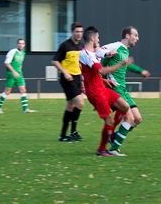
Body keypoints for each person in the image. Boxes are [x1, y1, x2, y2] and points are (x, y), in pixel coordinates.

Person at [79, 26, 135, 156]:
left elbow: (95, 71)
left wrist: (105, 81)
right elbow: (101, 71)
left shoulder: (93, 52)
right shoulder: (85, 54)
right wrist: (121, 64)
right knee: (109, 121)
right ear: (92, 38)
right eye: (98, 37)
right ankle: (102, 149)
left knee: (125, 106)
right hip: (95, 93)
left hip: (102, 88)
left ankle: (111, 135)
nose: (99, 40)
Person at [101, 26, 150, 132]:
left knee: (137, 119)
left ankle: (114, 137)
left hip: (123, 88)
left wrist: (141, 71)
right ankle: (113, 144)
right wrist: (102, 80)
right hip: (114, 88)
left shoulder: (125, 50)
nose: (137, 38)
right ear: (127, 36)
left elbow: (126, 64)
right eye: (135, 35)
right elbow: (100, 64)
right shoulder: (115, 47)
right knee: (129, 118)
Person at [52, 22, 84, 142]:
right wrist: (64, 72)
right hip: (67, 79)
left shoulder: (81, 46)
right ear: (72, 32)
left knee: (71, 105)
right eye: (77, 31)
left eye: (81, 32)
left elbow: (80, 63)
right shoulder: (65, 45)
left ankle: (63, 135)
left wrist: (82, 79)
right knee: (80, 103)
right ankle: (73, 132)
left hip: (77, 78)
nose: (79, 34)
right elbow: (55, 61)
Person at [0, 39, 37, 114]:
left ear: (24, 45)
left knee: (23, 90)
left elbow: (20, 64)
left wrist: (20, 71)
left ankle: (25, 109)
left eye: (22, 43)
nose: (21, 45)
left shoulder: (23, 53)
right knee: (7, 91)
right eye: (19, 43)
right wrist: (14, 72)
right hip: (11, 74)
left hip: (19, 74)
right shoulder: (12, 52)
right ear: (17, 44)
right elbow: (7, 63)